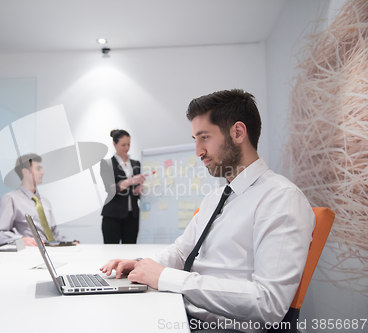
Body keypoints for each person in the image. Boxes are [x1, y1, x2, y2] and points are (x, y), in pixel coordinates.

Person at [100, 89, 315, 332]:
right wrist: (142, 265)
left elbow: (268, 303)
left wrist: (166, 277)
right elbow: (182, 252)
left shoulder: (281, 199)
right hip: (185, 314)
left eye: (204, 138)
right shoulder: (216, 197)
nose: (198, 151)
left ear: (238, 132)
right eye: (195, 140)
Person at [0, 153, 73, 246]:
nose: (42, 172)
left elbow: (54, 235)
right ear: (25, 172)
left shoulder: (45, 202)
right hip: (31, 253)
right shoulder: (10, 199)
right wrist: (21, 240)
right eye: (38, 169)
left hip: (52, 250)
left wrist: (71, 242)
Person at [100, 129, 145, 244]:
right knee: (111, 251)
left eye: (129, 144)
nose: (127, 148)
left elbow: (135, 190)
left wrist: (139, 190)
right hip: (112, 215)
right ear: (114, 144)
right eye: (123, 145)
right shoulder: (107, 164)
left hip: (132, 216)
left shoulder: (136, 164)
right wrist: (131, 180)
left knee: (130, 252)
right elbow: (111, 189)